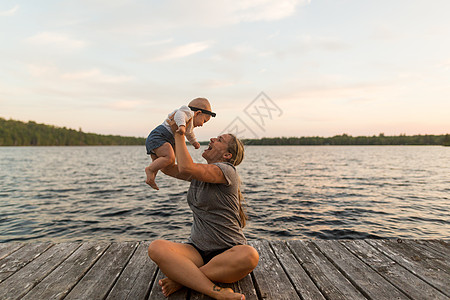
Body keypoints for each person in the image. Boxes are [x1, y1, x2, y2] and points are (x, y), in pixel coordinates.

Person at [147, 120, 259, 300]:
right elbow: (168, 168)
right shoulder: (198, 174)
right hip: (196, 250)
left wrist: (180, 133)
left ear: (227, 155)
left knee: (250, 255)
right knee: (156, 248)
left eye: (219, 139)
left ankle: (185, 280)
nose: (213, 139)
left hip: (228, 252)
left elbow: (186, 167)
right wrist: (157, 143)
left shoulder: (227, 171)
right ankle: (208, 285)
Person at [145, 97, 215, 190]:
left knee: (158, 164)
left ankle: (151, 178)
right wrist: (181, 126)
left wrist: (194, 142)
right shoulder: (187, 112)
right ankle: (149, 170)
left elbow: (189, 134)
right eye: (204, 121)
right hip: (160, 137)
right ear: (198, 113)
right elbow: (179, 115)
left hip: (162, 139)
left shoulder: (189, 123)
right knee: (169, 158)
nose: (202, 124)